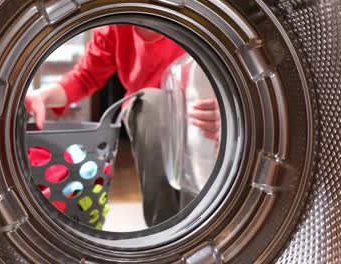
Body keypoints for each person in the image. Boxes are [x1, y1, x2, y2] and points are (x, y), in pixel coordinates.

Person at [25, 25, 220, 226]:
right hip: (147, 109)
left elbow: (232, 65)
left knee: (196, 193)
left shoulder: (198, 15)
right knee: (153, 103)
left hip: (202, 111)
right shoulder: (115, 25)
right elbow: (86, 76)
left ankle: (199, 232)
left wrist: (225, 108)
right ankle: (165, 235)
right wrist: (42, 96)